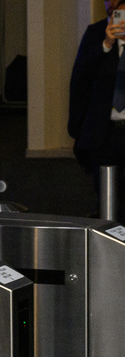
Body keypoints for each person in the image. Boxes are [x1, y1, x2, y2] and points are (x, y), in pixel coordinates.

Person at [68, 0, 125, 219]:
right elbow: (80, 77)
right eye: (118, 17)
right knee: (106, 197)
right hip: (104, 132)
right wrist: (106, 44)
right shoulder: (96, 34)